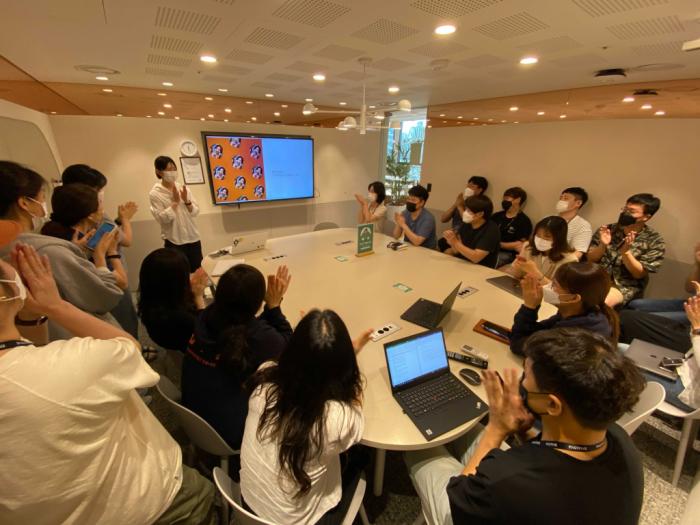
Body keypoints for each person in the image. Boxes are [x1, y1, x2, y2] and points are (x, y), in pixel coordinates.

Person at [0, 243, 215, 525]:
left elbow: (31, 353)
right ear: (9, 293)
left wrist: (31, 318)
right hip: (155, 505)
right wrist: (55, 306)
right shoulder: (73, 364)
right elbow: (128, 347)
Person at [405, 328, 645, 525]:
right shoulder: (618, 439)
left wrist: (496, 430)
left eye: (526, 377)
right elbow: (551, 457)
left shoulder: (507, 481)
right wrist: (522, 429)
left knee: (421, 449)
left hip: (468, 508)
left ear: (552, 404)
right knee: (469, 430)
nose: (522, 382)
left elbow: (460, 496)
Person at [240, 309, 373, 524]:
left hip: (246, 505)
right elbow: (356, 414)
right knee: (360, 457)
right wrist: (350, 363)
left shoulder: (264, 379)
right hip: (293, 521)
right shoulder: (337, 418)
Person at [0, 161, 123, 341]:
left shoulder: (10, 246)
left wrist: (73, 254)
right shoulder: (47, 250)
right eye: (42, 197)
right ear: (24, 203)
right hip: (74, 338)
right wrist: (100, 257)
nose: (44, 204)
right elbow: (104, 296)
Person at [183, 264, 293, 449]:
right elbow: (288, 346)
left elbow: (257, 330)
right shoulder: (257, 338)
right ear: (257, 304)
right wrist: (274, 306)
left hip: (193, 413)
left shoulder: (205, 316)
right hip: (230, 432)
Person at [62, 163, 139, 337]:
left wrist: (118, 221)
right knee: (123, 318)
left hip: (93, 280)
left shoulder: (66, 216)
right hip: (110, 273)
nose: (101, 195)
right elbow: (126, 240)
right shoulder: (96, 215)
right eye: (98, 190)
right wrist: (126, 219)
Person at [510, 261, 619, 356]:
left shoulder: (573, 336)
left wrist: (529, 306)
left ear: (574, 298)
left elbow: (518, 343)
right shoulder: (578, 313)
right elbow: (536, 333)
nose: (546, 287)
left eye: (554, 285)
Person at [40, 183, 128, 291]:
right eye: (100, 202)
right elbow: (121, 283)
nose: (103, 209)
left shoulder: (51, 233)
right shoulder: (85, 245)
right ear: (90, 215)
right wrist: (112, 251)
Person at [620, 297, 700, 412]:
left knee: (616, 363)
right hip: (685, 365)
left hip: (687, 389)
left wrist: (697, 329)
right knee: (621, 348)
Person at [587, 193, 665, 307]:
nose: (625, 213)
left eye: (631, 211)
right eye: (625, 209)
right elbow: (590, 259)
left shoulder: (654, 240)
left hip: (624, 285)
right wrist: (602, 245)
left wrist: (626, 252)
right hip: (596, 277)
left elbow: (638, 274)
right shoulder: (608, 230)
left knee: (602, 302)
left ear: (646, 217)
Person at [138, 248, 209, 352]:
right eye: (186, 274)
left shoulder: (152, 297)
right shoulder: (178, 316)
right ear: (174, 283)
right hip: (185, 344)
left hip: (166, 334)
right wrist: (198, 296)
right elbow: (206, 330)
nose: (189, 276)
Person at [625, 241, 700, 325]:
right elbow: (689, 288)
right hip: (694, 304)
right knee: (635, 305)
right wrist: (698, 264)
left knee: (643, 318)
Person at [149, 155, 202, 271]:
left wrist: (187, 201)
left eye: (174, 168)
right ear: (159, 172)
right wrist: (175, 203)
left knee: (198, 272)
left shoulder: (183, 188)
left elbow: (195, 212)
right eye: (169, 169)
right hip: (174, 241)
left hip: (193, 238)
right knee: (179, 274)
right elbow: (162, 219)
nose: (172, 172)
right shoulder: (155, 194)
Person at [509, 216, 578, 284]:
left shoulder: (569, 260)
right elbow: (516, 276)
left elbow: (558, 289)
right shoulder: (528, 247)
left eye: (547, 236)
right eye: (538, 235)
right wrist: (519, 267)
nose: (541, 239)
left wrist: (535, 272)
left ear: (559, 239)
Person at [442, 194, 500, 268]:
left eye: (469, 211)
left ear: (480, 214)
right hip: (463, 262)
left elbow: (476, 258)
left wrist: (455, 242)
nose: (465, 213)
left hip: (481, 268)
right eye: (466, 209)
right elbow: (456, 251)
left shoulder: (491, 230)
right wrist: (451, 239)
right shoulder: (467, 224)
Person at [438, 176, 488, 252]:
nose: (468, 188)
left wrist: (459, 207)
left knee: (449, 251)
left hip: (467, 240)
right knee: (441, 243)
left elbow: (468, 221)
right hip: (453, 236)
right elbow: (443, 219)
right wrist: (456, 204)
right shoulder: (461, 202)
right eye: (467, 186)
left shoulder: (481, 206)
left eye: (472, 187)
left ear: (480, 190)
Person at [492, 186, 532, 267]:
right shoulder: (497, 215)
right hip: (489, 248)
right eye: (504, 198)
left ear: (518, 200)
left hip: (506, 253)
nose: (505, 201)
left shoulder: (524, 221)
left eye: (508, 198)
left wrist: (497, 244)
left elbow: (519, 245)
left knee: (492, 261)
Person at [393, 184, 437, 249]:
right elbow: (396, 236)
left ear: (422, 203)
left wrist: (403, 224)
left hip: (426, 250)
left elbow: (417, 242)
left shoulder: (428, 218)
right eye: (408, 199)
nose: (409, 202)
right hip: (409, 247)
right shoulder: (406, 213)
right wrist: (399, 223)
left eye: (413, 200)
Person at [555, 187, 592, 259]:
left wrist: (559, 263)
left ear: (578, 203)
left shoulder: (583, 225)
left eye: (565, 198)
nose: (561, 201)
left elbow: (578, 253)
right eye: (560, 198)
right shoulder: (548, 219)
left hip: (561, 261)